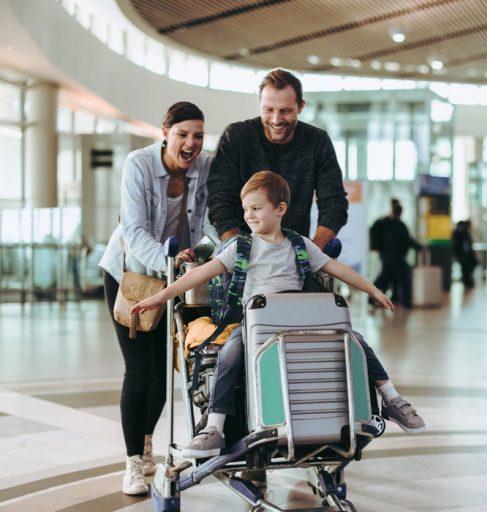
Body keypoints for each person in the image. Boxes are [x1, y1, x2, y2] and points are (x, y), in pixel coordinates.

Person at [132, 171, 426, 460]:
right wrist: (160, 296)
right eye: (246, 209)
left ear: (280, 209)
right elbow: (200, 273)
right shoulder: (241, 248)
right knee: (230, 353)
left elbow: (339, 270)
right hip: (256, 325)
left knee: (356, 340)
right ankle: (214, 427)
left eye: (256, 208)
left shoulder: (299, 245)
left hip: (297, 323)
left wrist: (372, 290)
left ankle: (391, 398)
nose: (249, 215)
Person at [99, 102, 219, 495]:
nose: (191, 143)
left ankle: (148, 442)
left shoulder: (206, 166)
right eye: (183, 134)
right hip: (129, 276)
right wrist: (170, 259)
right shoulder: (139, 164)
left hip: (171, 280)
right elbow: (133, 231)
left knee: (162, 377)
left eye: (198, 135)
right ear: (165, 131)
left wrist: (207, 254)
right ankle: (134, 461)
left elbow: (208, 221)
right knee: (138, 370)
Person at [207, 68, 347, 250]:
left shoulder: (317, 141)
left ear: (301, 106)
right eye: (269, 110)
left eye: (285, 111)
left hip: (294, 255)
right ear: (260, 104)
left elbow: (334, 202)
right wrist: (240, 250)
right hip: (239, 253)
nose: (276, 119)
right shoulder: (236, 136)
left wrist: (312, 251)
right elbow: (220, 200)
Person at [369, 199, 421, 307]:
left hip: (386, 254)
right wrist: (418, 247)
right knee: (404, 275)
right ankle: (407, 302)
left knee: (385, 277)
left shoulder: (385, 222)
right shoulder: (397, 224)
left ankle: (372, 297)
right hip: (394, 255)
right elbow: (407, 240)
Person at [451, 220, 477, 289]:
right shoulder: (458, 233)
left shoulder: (466, 233)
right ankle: (467, 282)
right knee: (465, 268)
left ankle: (468, 281)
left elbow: (469, 244)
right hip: (461, 255)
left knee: (470, 266)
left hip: (467, 254)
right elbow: (456, 245)